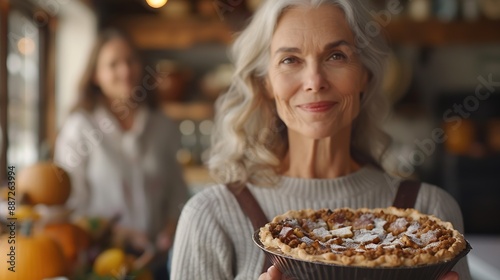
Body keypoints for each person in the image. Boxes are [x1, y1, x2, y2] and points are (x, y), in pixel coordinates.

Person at [170, 0, 471, 279]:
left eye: (336, 55)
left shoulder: (431, 210)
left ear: (365, 75)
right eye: (290, 60)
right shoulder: (210, 217)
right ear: (265, 84)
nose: (314, 81)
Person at [54, 28, 189, 279]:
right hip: (101, 262)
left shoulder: (163, 126)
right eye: (113, 64)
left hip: (156, 263)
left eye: (131, 61)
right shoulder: (80, 128)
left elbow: (177, 190)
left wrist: (171, 226)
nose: (125, 71)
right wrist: (119, 233)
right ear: (95, 75)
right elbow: (69, 204)